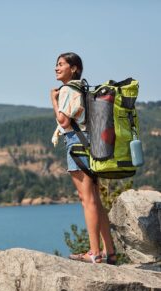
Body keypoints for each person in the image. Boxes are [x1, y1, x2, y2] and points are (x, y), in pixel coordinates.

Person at [50, 52, 116, 264]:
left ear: (74, 68)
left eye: (61, 64)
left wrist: (54, 100)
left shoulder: (68, 89)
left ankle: (94, 253)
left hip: (77, 144)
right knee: (95, 199)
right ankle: (109, 251)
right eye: (56, 65)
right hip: (90, 143)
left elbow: (63, 120)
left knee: (87, 200)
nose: (56, 68)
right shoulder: (82, 88)